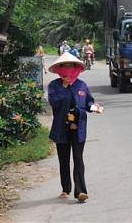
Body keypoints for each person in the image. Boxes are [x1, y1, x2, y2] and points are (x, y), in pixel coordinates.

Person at [47, 52, 103, 203]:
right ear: (59, 69)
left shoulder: (82, 85)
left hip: (79, 127)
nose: (68, 69)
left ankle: (81, 192)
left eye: (71, 66)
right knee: (63, 159)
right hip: (61, 127)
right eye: (64, 66)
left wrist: (94, 108)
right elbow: (55, 103)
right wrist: (65, 87)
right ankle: (66, 188)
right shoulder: (54, 86)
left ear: (76, 67)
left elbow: (89, 102)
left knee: (78, 159)